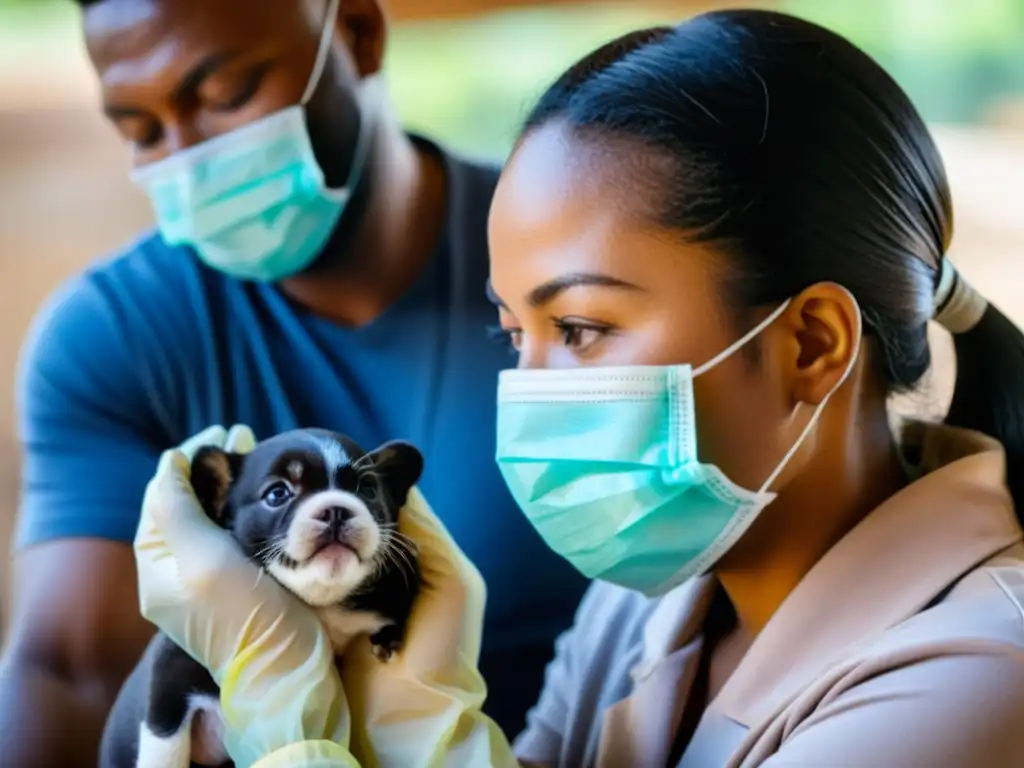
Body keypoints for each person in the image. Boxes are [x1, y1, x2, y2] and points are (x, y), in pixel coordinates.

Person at [134, 8, 1024, 768]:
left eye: (582, 330)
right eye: (513, 334)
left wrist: (289, 720)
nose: (527, 393)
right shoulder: (648, 601)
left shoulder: (981, 674)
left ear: (811, 344)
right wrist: (411, 712)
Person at [0, 0, 590, 764]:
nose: (187, 154)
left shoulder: (571, 274)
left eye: (225, 94)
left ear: (356, 34)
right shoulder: (114, 336)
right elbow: (68, 672)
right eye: (141, 131)